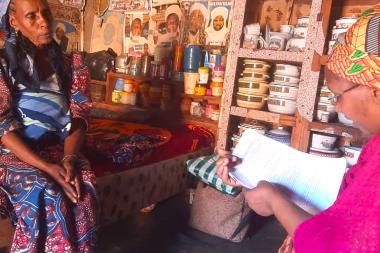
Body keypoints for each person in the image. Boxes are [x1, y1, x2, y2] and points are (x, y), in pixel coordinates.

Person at [217, 5, 380, 252]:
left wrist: (274, 200)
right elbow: (340, 206)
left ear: (375, 89)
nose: (337, 107)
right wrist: (251, 174)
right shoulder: (375, 148)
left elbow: (339, 246)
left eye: (338, 95)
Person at [0, 0, 98, 252]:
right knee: (45, 190)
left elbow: (78, 116)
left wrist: (68, 159)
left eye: (45, 13)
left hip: (59, 148)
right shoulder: (3, 64)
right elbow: (2, 125)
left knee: (82, 189)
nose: (44, 21)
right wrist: (46, 167)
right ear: (15, 22)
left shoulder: (70, 64)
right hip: (16, 153)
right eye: (32, 16)